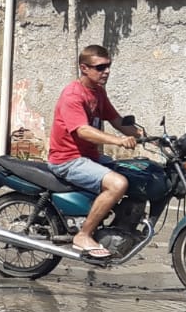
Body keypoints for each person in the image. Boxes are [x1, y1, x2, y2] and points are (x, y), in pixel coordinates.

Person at [46, 44, 139, 261]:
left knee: (136, 173)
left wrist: (147, 136)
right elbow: (83, 130)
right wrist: (118, 141)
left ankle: (117, 228)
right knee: (117, 184)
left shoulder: (97, 92)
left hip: (89, 157)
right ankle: (84, 235)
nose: (106, 71)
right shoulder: (73, 95)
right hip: (67, 159)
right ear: (84, 68)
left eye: (108, 66)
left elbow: (116, 120)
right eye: (100, 67)